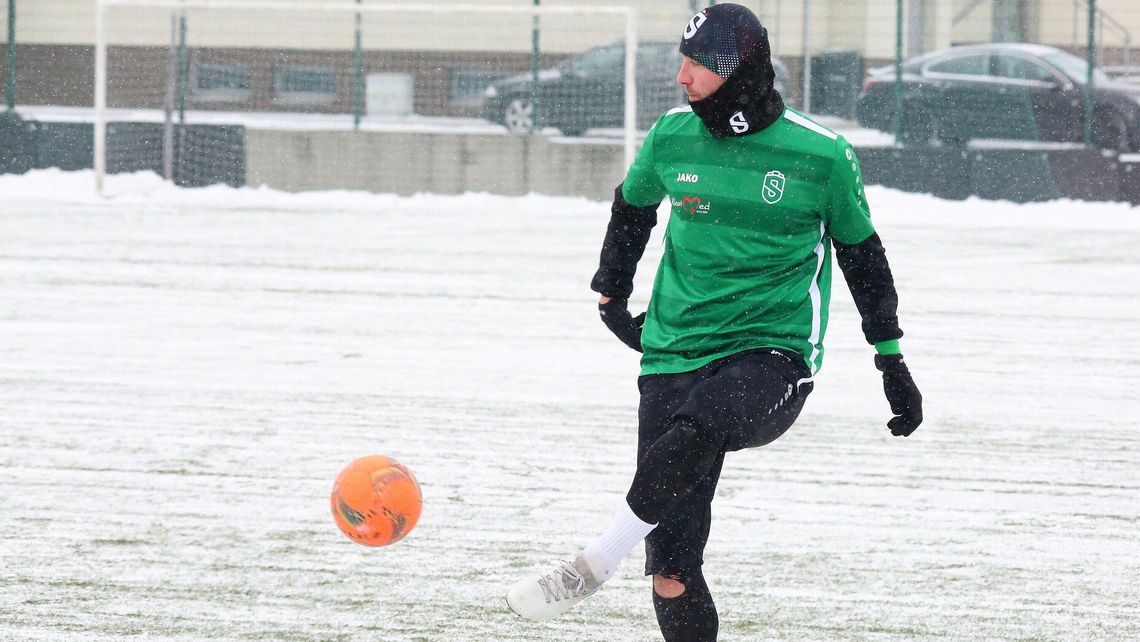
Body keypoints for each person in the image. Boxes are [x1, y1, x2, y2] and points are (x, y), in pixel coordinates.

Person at [506, 4, 923, 640]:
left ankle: (597, 559)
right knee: (672, 570)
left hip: (772, 353)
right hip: (674, 350)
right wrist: (612, 297)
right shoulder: (672, 136)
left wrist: (890, 359)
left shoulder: (822, 155)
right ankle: (627, 562)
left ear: (739, 72)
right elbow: (632, 208)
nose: (682, 77)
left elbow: (864, 257)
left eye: (698, 64)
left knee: (697, 427)